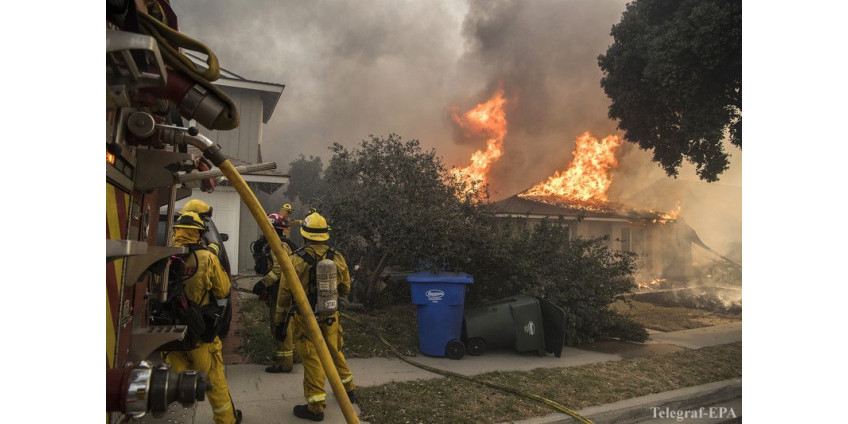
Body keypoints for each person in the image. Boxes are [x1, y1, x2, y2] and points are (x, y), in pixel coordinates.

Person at [274, 212, 356, 422]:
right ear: (325, 234)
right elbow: (345, 288)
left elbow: (284, 294)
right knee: (335, 351)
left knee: (312, 359)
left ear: (304, 235)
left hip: (306, 319)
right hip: (331, 315)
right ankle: (348, 390)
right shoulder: (337, 257)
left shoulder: (295, 260)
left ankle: (316, 407)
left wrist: (280, 321)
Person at [162, 212, 242, 424]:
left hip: (171, 335)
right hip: (201, 334)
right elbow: (223, 289)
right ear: (198, 233)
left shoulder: (164, 257)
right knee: (214, 380)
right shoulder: (207, 258)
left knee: (175, 385)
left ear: (176, 231)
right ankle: (227, 420)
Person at [252, 213, 296, 373]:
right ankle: (283, 357)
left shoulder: (279, 245)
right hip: (279, 290)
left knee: (280, 326)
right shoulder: (274, 243)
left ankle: (284, 363)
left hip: (281, 291)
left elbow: (280, 268)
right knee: (282, 325)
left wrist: (263, 283)